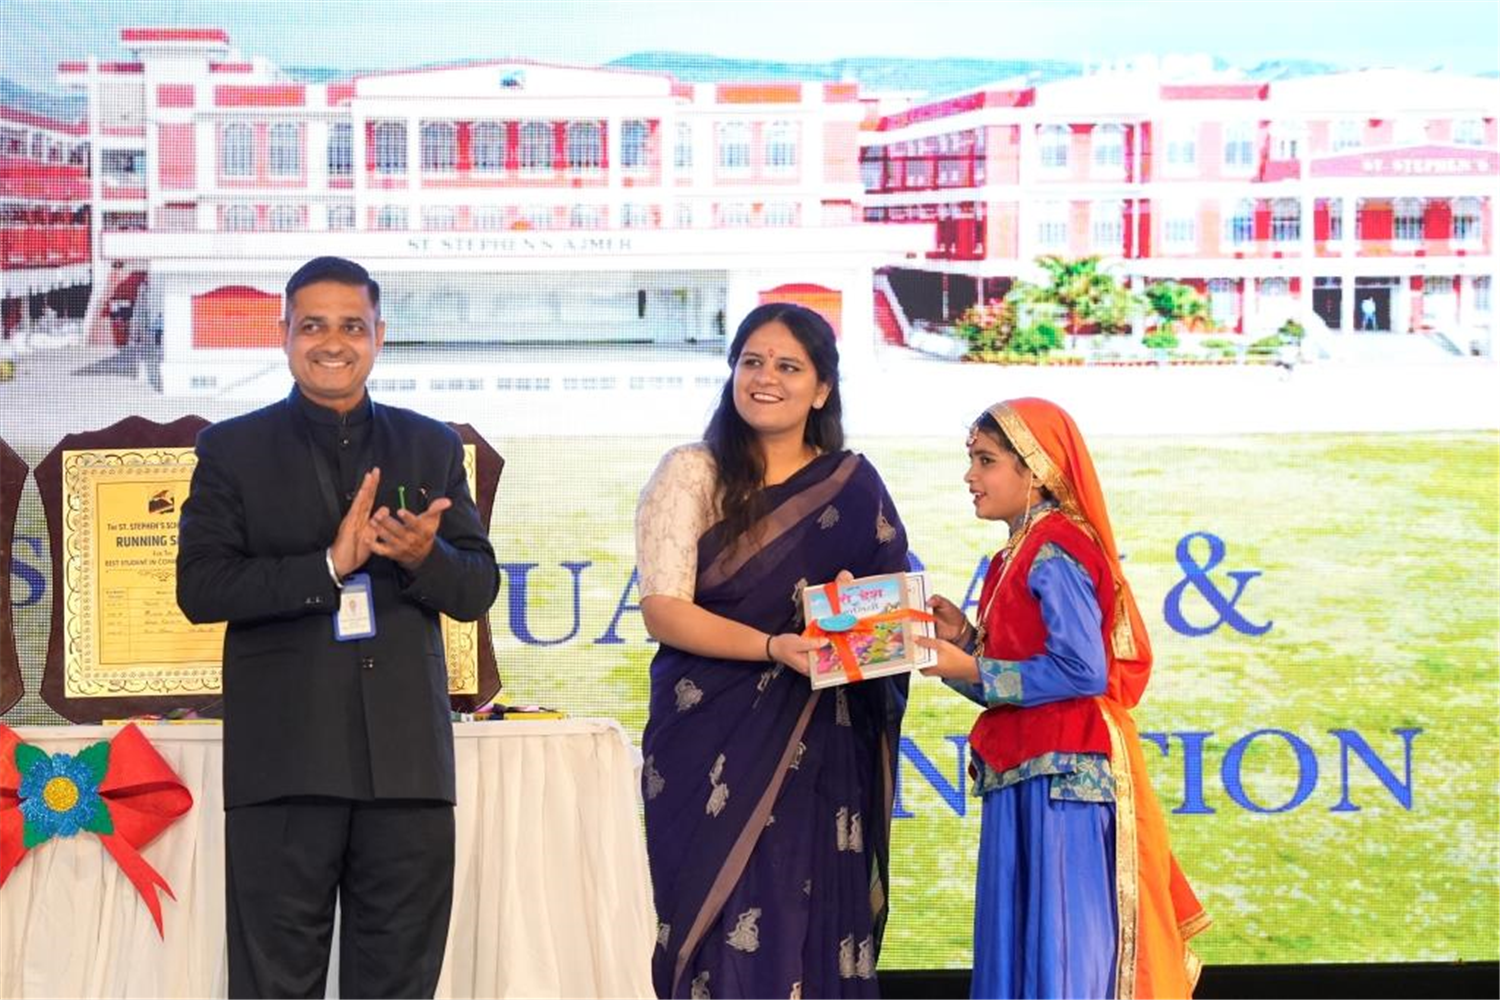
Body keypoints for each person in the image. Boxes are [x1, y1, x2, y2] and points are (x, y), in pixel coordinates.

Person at [177, 256, 499, 999]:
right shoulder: (232, 449)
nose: (332, 342)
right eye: (313, 325)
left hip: (408, 769)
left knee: (399, 984)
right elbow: (201, 587)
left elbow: (476, 588)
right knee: (274, 984)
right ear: (284, 334)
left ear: (379, 336)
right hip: (285, 762)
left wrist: (424, 556)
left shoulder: (430, 445)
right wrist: (327, 565)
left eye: (352, 326)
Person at [636, 303, 910, 999]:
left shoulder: (854, 485)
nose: (766, 378)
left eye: (789, 366)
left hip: (823, 744)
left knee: (811, 922)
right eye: (752, 362)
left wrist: (856, 608)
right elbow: (664, 610)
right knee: (716, 922)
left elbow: (888, 627)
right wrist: (770, 646)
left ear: (821, 389)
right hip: (708, 738)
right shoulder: (691, 472)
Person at [917, 398, 1208, 1000]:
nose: (970, 476)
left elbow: (1082, 670)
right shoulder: (1017, 552)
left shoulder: (1055, 547)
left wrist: (971, 664)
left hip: (1065, 778)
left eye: (986, 461)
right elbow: (1024, 675)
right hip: (1031, 769)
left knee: (1063, 947)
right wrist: (963, 641)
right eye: (972, 460)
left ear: (1037, 469)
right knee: (1031, 944)